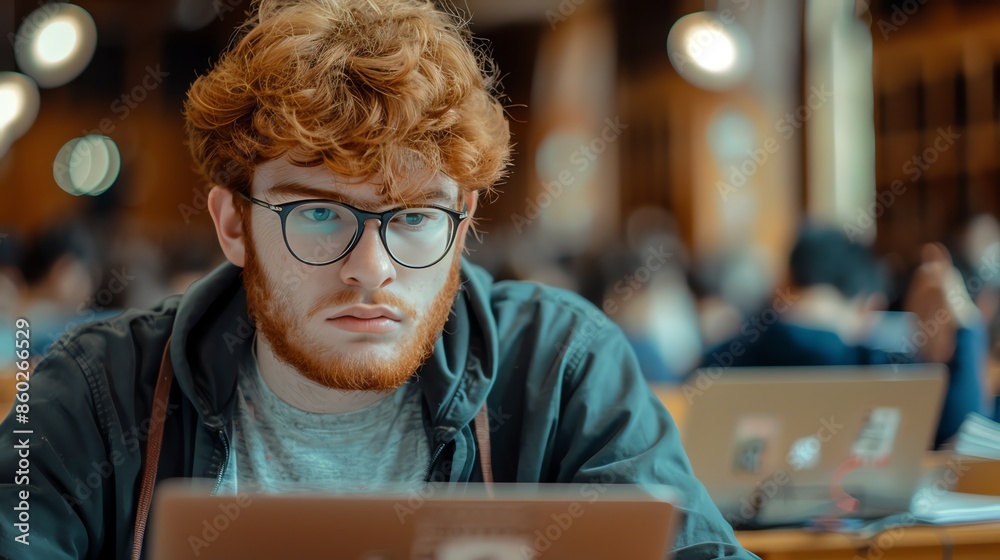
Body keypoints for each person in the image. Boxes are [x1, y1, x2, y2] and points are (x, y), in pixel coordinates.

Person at [0, 1, 756, 558]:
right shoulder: (92, 393)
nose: (372, 269)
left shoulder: (560, 369)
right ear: (233, 224)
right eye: (320, 215)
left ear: (461, 225)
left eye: (415, 218)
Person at [699, 224, 989, 448]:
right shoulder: (880, 369)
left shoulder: (719, 359)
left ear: (786, 280)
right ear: (869, 306)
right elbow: (963, 435)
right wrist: (965, 323)